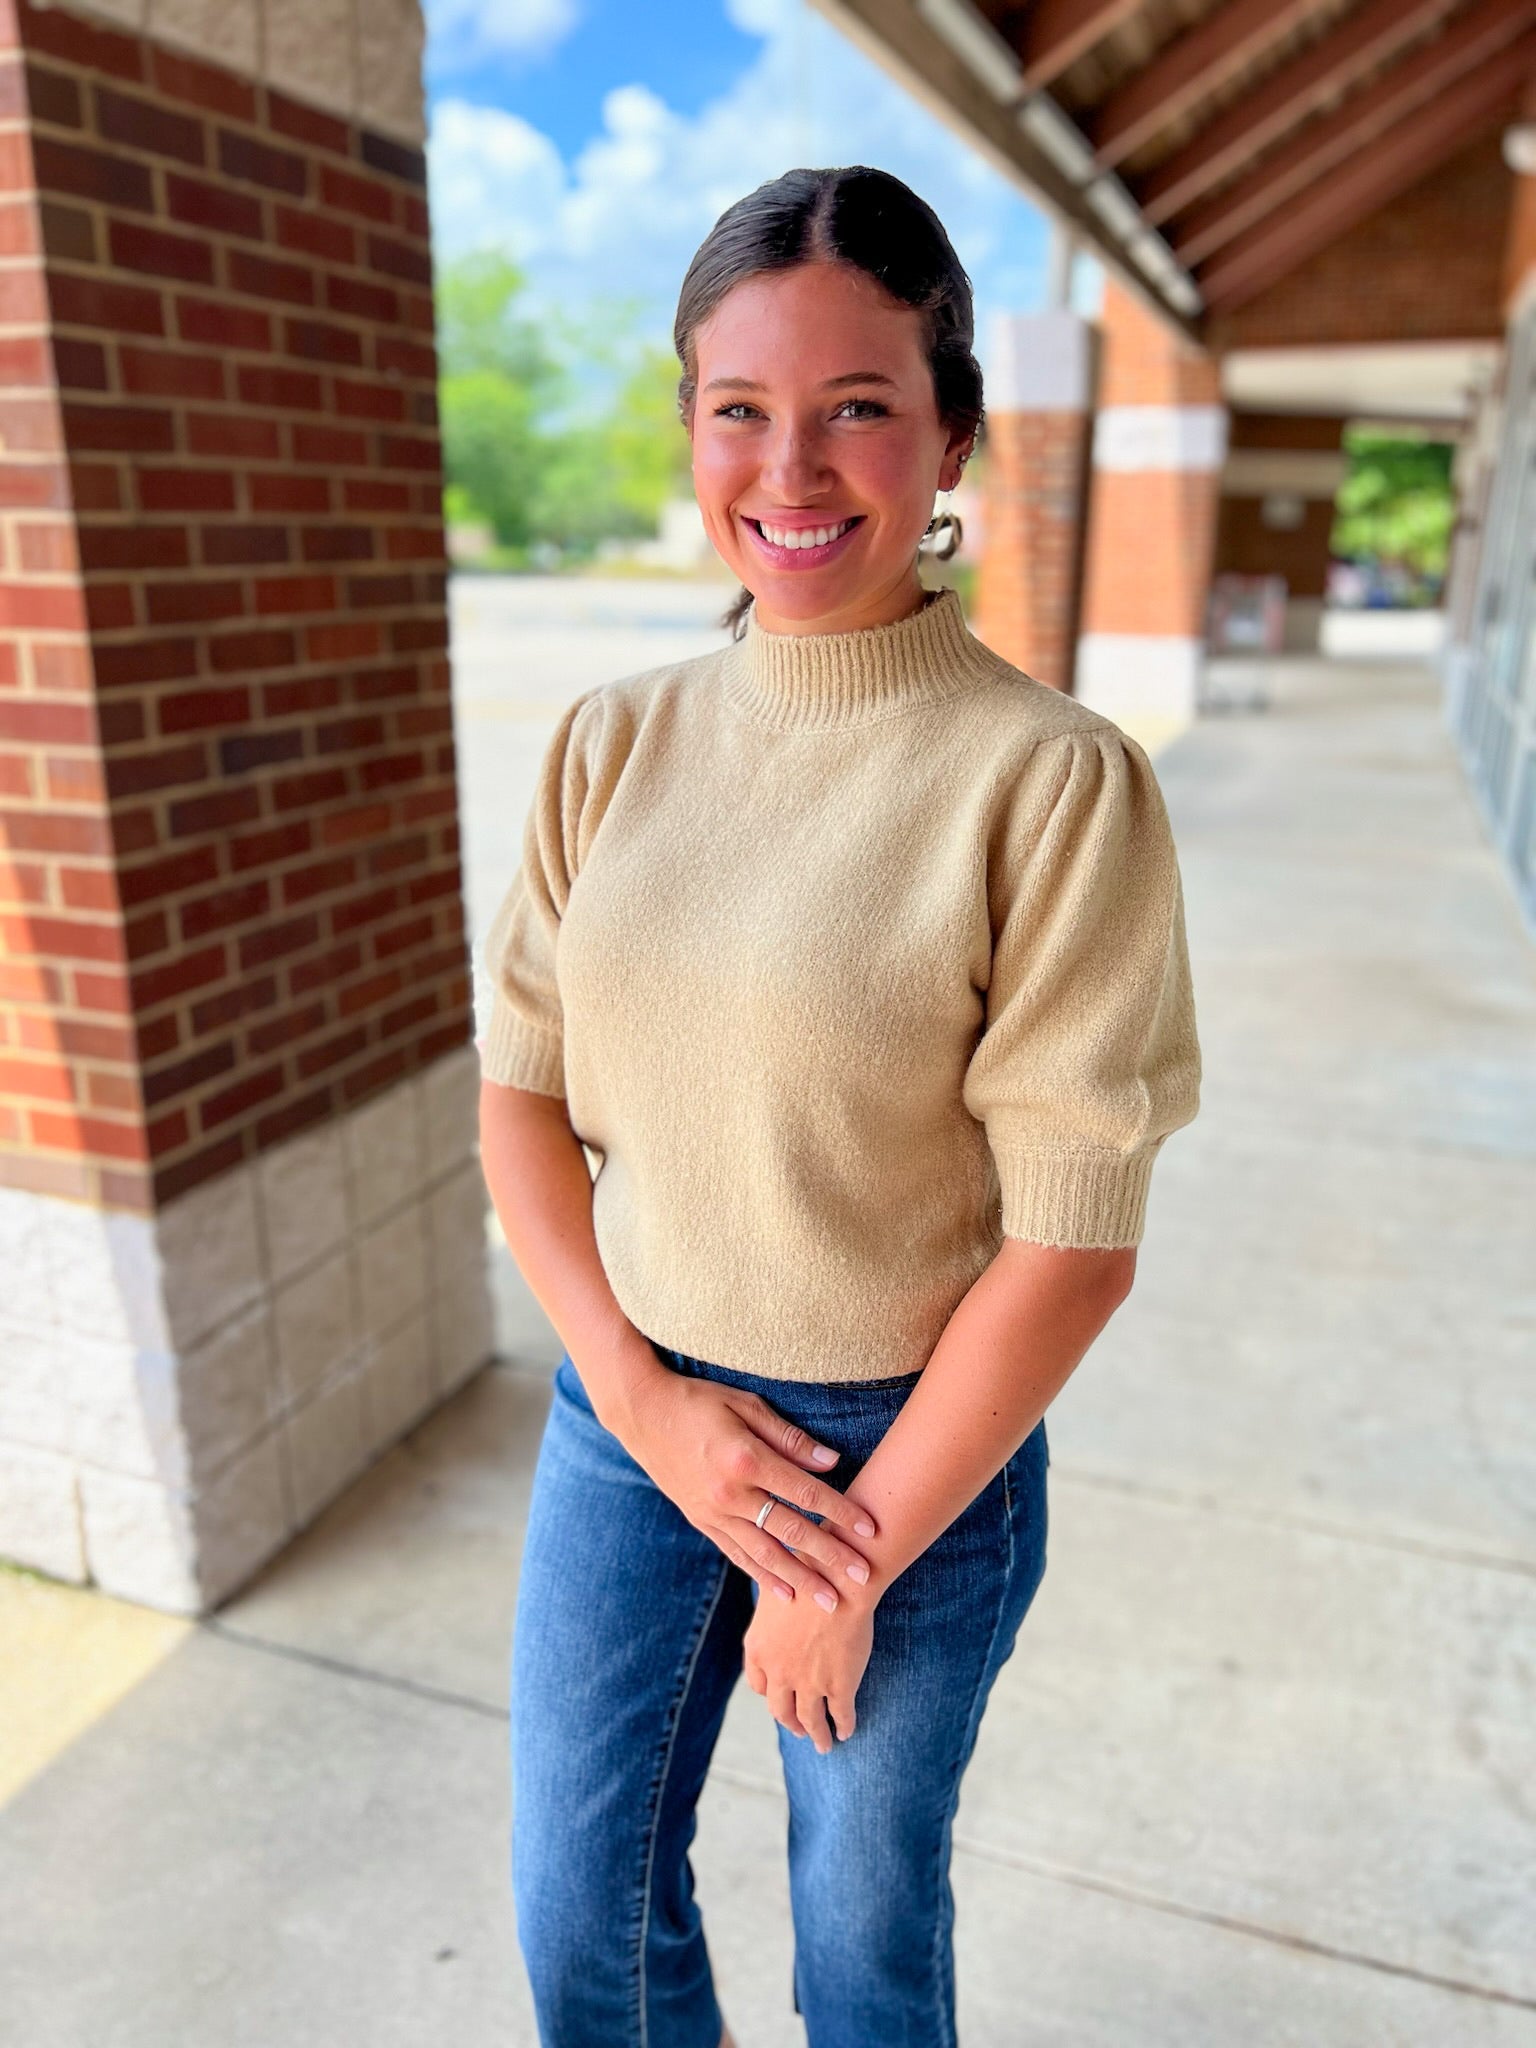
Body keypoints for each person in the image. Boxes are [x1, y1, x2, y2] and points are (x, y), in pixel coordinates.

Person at [478, 165, 1202, 2048]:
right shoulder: (608, 742)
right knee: (578, 1909)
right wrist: (648, 1413)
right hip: (628, 1419)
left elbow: (1072, 1246)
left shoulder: (1051, 784)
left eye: (858, 408)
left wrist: (844, 1556)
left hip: (910, 1453)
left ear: (953, 431)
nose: (791, 471)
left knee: (862, 1938)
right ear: (693, 427)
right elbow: (521, 1104)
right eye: (743, 410)